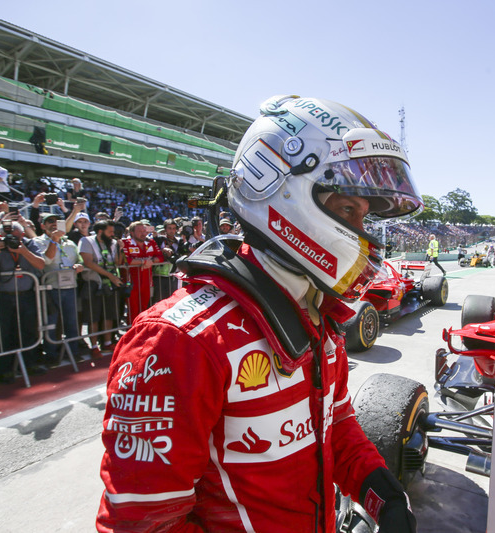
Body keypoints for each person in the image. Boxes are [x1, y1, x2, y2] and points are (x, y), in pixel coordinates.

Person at [97, 95, 419, 533]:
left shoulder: (318, 315)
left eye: (363, 217)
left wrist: (377, 487)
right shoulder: (179, 341)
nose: (361, 234)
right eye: (348, 210)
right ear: (281, 186)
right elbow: (142, 525)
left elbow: (335, 423)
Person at [0, 220, 46, 382]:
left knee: (28, 329)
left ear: (22, 235)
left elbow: (40, 264)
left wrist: (23, 251)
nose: (11, 240)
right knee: (0, 332)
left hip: (25, 294)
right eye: (7, 237)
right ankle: (3, 368)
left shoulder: (28, 244)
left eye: (15, 237)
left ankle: (29, 363)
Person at [35, 213, 84, 365]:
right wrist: (54, 240)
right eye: (50, 222)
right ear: (43, 226)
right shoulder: (38, 242)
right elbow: (46, 260)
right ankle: (51, 354)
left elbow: (79, 258)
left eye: (57, 221)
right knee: (51, 323)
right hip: (50, 288)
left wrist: (79, 265)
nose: (54, 224)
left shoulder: (69, 243)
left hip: (70, 287)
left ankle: (73, 352)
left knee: (71, 322)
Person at [79, 220, 124, 358]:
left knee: (109, 314)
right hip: (94, 283)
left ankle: (107, 342)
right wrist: (110, 275)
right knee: (94, 316)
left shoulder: (113, 243)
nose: (113, 234)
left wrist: (120, 249)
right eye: (110, 232)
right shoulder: (86, 241)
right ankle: (93, 346)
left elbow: (117, 262)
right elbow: (88, 262)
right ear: (100, 231)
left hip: (110, 284)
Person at [120, 219, 164, 323]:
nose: (143, 234)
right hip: (130, 283)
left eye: (144, 231)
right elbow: (126, 260)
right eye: (140, 231)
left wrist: (150, 261)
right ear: (132, 232)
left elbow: (161, 258)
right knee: (132, 311)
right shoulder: (125, 243)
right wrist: (144, 261)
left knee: (144, 309)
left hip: (146, 282)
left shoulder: (150, 242)